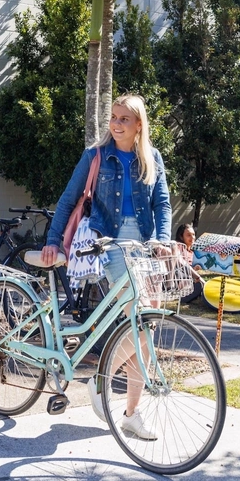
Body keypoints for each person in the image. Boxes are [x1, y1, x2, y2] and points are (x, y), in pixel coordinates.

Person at [41, 94, 171, 440]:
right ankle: (101, 382)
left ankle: (130, 413)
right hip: (109, 245)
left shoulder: (152, 158)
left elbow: (162, 203)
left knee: (146, 330)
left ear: (139, 124)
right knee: (141, 322)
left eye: (124, 119)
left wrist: (162, 238)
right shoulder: (95, 156)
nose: (115, 124)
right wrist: (54, 241)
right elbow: (69, 199)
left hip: (142, 247)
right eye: (113, 117)